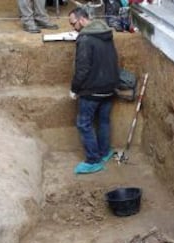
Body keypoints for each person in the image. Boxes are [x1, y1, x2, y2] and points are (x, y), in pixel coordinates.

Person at [68, 7, 119, 174]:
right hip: (110, 86)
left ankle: (93, 160)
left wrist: (74, 89)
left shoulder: (85, 39)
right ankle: (104, 152)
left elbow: (82, 69)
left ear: (82, 20)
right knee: (103, 120)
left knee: (84, 123)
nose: (73, 28)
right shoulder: (105, 32)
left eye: (73, 23)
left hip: (92, 89)